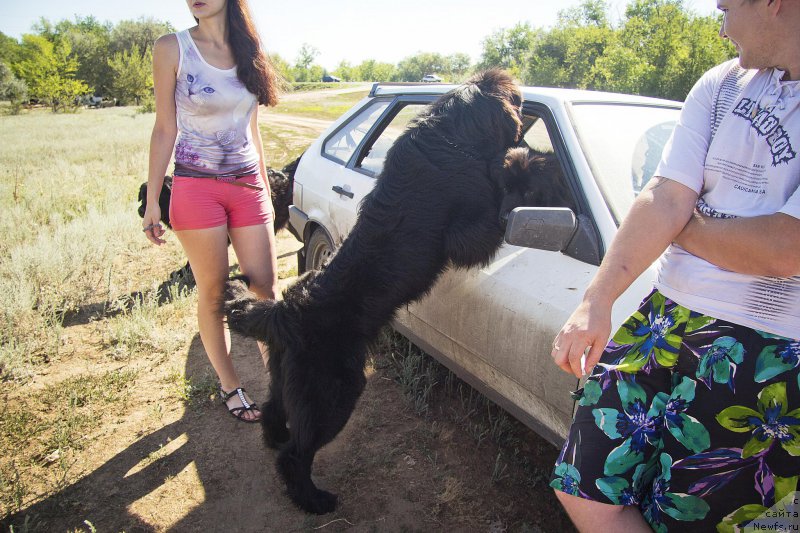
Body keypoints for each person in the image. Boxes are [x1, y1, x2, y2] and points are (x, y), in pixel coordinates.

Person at [548, 0, 800, 530]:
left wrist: (683, 222)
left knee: (688, 522)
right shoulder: (722, 84)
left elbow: (784, 249)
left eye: (727, 6)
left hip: (770, 349)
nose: (721, 19)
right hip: (666, 316)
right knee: (583, 486)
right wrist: (597, 301)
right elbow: (663, 195)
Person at [142, 0, 280, 423]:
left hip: (247, 186)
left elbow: (252, 130)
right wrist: (152, 200)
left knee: (265, 288)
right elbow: (165, 127)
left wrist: (265, 193)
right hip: (195, 188)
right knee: (215, 292)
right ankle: (230, 385)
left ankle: (282, 384)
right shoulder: (173, 48)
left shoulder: (251, 52)